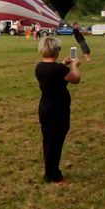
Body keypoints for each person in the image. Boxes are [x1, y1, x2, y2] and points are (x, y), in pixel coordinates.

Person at [35, 36, 81, 183]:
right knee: (55, 143)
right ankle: (53, 175)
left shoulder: (39, 67)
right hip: (58, 110)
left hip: (45, 108)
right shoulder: (59, 69)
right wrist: (75, 66)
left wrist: (63, 64)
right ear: (56, 51)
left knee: (48, 141)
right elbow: (75, 79)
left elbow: (53, 74)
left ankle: (49, 171)